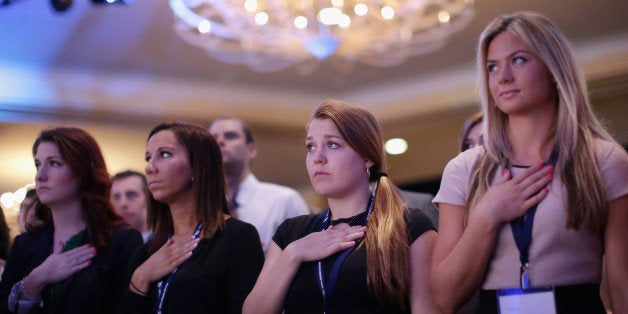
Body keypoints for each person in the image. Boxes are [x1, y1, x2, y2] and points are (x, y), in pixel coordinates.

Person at [431, 11, 627, 314]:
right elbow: (444, 298)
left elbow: (622, 287)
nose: (503, 76)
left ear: (552, 67)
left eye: (518, 60)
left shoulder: (604, 160)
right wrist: (486, 216)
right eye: (492, 67)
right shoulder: (464, 169)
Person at [244, 99, 439, 313]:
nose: (318, 158)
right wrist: (294, 253)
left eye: (332, 144)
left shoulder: (409, 225)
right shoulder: (291, 233)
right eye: (311, 146)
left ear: (367, 157)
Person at [121, 122, 264, 314]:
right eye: (148, 158)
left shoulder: (237, 237)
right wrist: (140, 278)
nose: (150, 168)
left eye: (164, 154)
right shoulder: (147, 251)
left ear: (198, 166)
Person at [0, 127, 144, 313]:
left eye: (54, 163)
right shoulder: (25, 244)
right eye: (38, 164)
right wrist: (35, 279)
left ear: (83, 172)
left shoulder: (121, 241)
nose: (40, 175)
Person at [209, 116, 310, 253]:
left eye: (230, 136)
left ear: (251, 150)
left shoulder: (284, 200)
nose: (219, 141)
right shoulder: (200, 205)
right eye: (213, 138)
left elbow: (304, 256)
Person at [111, 170, 152, 243]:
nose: (123, 203)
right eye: (116, 197)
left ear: (148, 199)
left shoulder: (168, 240)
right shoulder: (108, 245)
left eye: (131, 195)